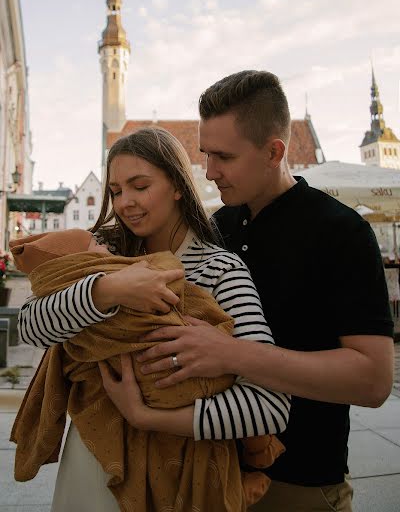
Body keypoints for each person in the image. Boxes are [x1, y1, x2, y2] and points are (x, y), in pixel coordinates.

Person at [132, 71, 395, 512]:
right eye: (205, 154)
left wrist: (230, 353)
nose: (209, 171)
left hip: (300, 485)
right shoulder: (218, 229)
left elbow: (373, 381)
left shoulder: (339, 232)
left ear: (274, 152)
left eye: (224, 157)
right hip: (206, 469)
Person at [17, 127, 290, 511]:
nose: (125, 202)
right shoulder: (99, 250)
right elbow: (30, 325)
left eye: (139, 186)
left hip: (181, 473)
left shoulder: (219, 270)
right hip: (94, 458)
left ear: (178, 185)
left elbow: (269, 408)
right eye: (115, 191)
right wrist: (109, 289)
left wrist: (147, 415)